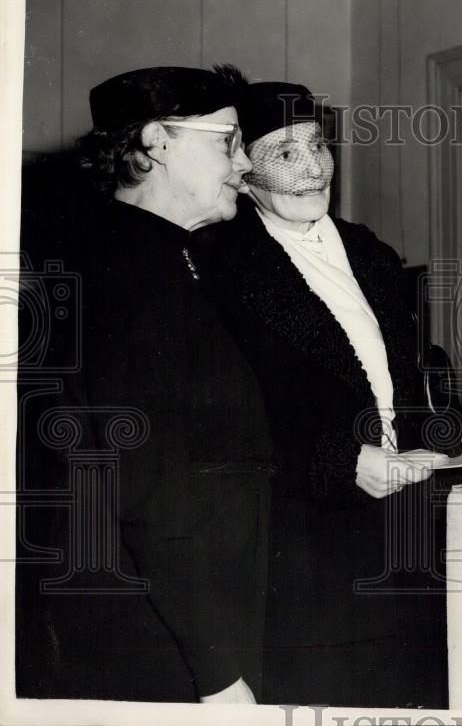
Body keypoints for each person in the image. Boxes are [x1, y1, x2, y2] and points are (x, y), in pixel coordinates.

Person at [196, 72, 462, 707]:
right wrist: (335, 462)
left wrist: (439, 429)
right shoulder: (218, 264)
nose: (314, 168)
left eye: (318, 145)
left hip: (405, 535)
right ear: (244, 170)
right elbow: (222, 423)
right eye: (285, 153)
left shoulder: (369, 251)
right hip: (304, 550)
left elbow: (402, 378)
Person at [17, 66, 274, 703]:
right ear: (158, 140)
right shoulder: (123, 271)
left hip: (188, 622)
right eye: (228, 141)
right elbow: (152, 493)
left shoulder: (172, 257)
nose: (246, 165)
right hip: (162, 646)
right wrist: (218, 673)